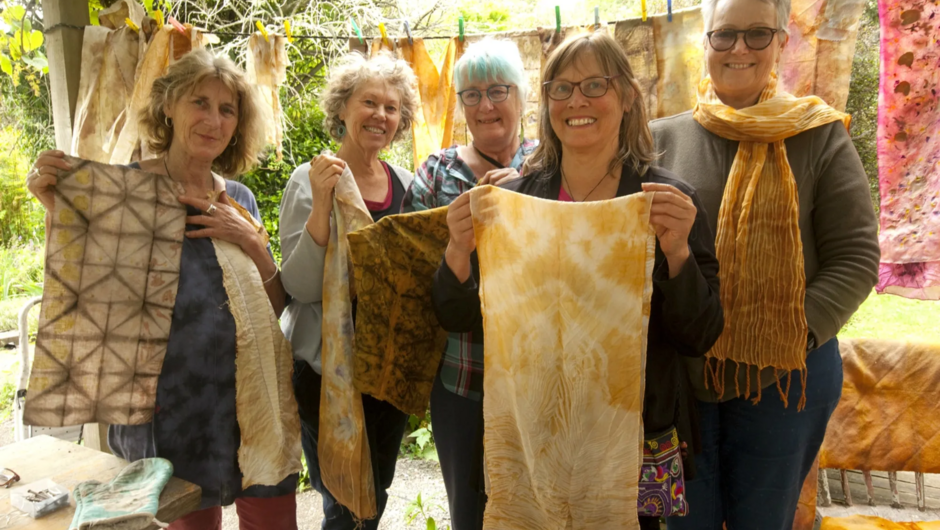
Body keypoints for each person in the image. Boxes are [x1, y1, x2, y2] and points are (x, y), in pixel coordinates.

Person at [433, 31, 725, 530]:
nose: (577, 101)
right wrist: (458, 250)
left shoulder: (667, 201)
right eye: (561, 89)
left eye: (595, 84)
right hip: (531, 432)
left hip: (631, 434)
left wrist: (676, 252)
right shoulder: (519, 200)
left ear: (628, 96)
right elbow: (459, 316)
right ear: (546, 103)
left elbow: (700, 335)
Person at [26, 48, 298, 530]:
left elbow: (274, 307)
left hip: (251, 399)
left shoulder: (240, 198)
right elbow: (87, 298)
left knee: (273, 520)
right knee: (189, 523)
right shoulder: (124, 191)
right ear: (168, 105)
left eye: (227, 109)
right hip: (167, 404)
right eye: (200, 102)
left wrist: (255, 244)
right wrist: (59, 209)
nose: (213, 119)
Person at [650, 0, 880, 526]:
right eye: (724, 35)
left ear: (781, 41)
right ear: (704, 43)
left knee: (763, 520)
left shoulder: (818, 134)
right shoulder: (660, 140)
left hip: (784, 378)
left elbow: (856, 257)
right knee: (688, 520)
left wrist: (783, 335)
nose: (739, 49)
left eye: (757, 34)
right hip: (685, 376)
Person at [400, 38, 538, 530]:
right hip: (463, 377)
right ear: (460, 105)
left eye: (498, 90)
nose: (486, 105)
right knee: (471, 514)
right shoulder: (437, 174)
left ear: (522, 98)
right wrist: (460, 242)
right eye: (472, 94)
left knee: (539, 505)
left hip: (542, 374)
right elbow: (413, 280)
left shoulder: (549, 165)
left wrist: (523, 194)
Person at [278, 51, 418, 530]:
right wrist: (321, 203)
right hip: (327, 371)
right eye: (369, 102)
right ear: (342, 108)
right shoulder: (310, 178)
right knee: (342, 498)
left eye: (392, 107)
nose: (381, 115)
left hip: (386, 371)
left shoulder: (407, 185)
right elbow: (298, 285)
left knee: (374, 492)